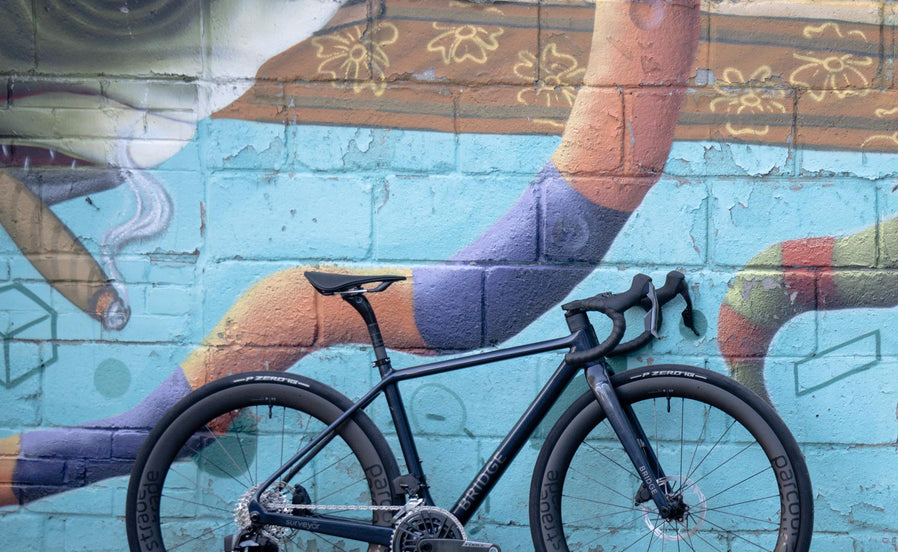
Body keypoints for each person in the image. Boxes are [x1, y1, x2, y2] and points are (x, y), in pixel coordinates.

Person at [0, 0, 701, 507]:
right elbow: (586, 202)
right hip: (461, 288)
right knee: (164, 426)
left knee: (185, 407)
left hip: (495, 275)